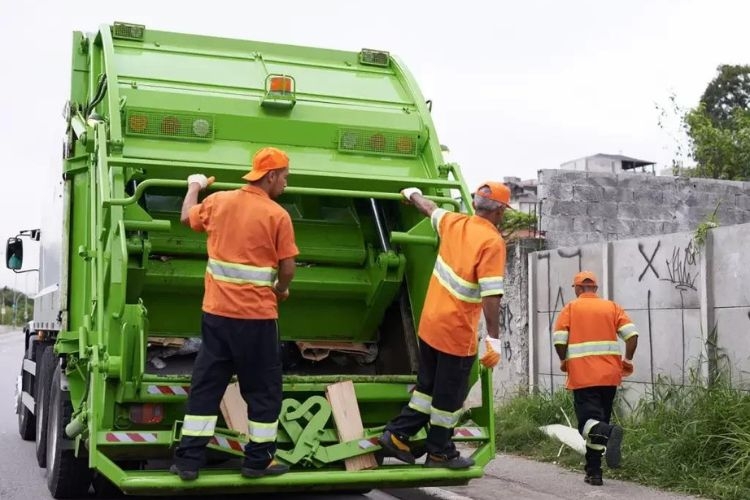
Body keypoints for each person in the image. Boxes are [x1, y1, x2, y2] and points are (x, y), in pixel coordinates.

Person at [171, 147, 299, 480]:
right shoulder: (277, 216)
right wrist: (281, 289)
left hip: (217, 316)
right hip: (257, 320)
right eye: (285, 177)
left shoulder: (219, 201)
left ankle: (188, 461)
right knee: (263, 390)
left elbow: (186, 217)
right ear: (271, 176)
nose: (286, 183)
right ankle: (258, 461)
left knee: (207, 385)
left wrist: (195, 186)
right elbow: (288, 268)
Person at [378, 182, 509, 469]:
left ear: (476, 205)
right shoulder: (492, 242)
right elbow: (491, 295)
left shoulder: (454, 222)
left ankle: (398, 435)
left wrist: (412, 194)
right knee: (448, 396)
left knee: (426, 388)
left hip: (430, 324)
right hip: (456, 332)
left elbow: (430, 208)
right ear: (500, 211)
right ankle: (439, 451)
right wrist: (494, 338)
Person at [553, 271, 639, 486]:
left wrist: (564, 360)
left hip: (583, 376)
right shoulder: (612, 307)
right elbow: (632, 335)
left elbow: (559, 340)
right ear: (595, 288)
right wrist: (627, 361)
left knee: (587, 425)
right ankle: (594, 472)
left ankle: (610, 432)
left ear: (577, 288)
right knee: (597, 424)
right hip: (610, 377)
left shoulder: (570, 308)